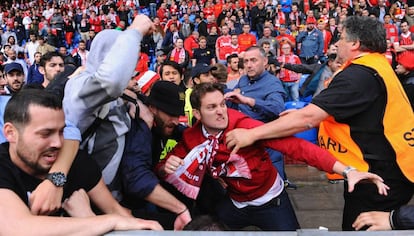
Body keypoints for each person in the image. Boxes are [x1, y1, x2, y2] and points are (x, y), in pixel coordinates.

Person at [225, 16, 414, 231]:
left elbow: (308, 118)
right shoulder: (376, 66)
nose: (336, 44)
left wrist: (252, 135)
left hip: (377, 176)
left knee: (361, 227)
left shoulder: (359, 76)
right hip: (389, 167)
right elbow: (353, 114)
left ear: (355, 44)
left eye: (341, 38)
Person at [157, 83, 389, 231]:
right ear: (197, 113)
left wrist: (347, 171)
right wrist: (167, 165)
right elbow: (162, 168)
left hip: (271, 202)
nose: (220, 112)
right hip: (235, 203)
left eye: (223, 104)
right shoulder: (192, 137)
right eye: (211, 108)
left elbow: (297, 147)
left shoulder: (244, 126)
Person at [27, 14, 156, 219]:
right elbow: (111, 81)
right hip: (85, 204)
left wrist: (136, 103)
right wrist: (135, 32)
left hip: (112, 198)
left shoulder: (114, 93)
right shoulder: (81, 87)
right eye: (127, 54)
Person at [0, 89, 163, 235]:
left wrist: (143, 227)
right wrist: (106, 220)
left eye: (62, 131)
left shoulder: (78, 163)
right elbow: (17, 228)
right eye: (45, 134)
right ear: (10, 133)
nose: (57, 143)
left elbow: (115, 210)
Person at [120, 81, 191, 230]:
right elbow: (136, 178)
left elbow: (184, 133)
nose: (176, 121)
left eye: (178, 115)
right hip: (122, 203)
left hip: (143, 196)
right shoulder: (140, 127)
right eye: (171, 114)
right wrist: (181, 209)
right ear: (152, 108)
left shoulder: (162, 123)